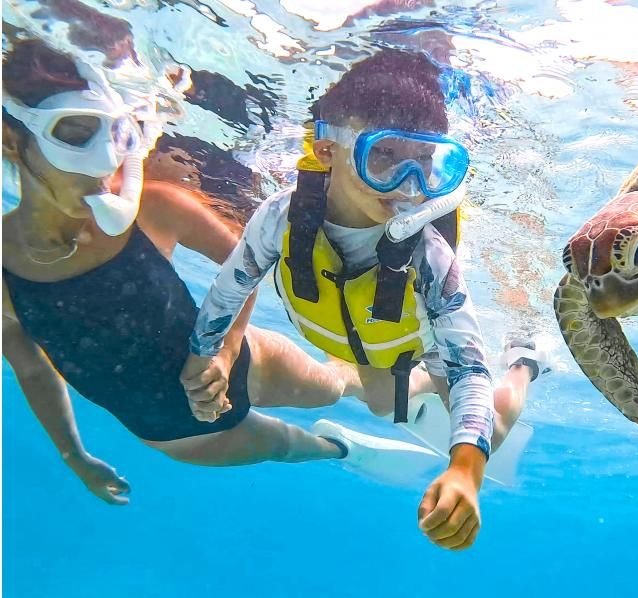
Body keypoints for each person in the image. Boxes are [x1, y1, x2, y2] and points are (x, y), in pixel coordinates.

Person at [1, 40, 410, 506]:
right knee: (285, 446)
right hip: (179, 437)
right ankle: (344, 447)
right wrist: (75, 457)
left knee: (331, 386)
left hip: (249, 366)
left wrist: (226, 348)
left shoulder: (155, 207)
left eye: (116, 136)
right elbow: (32, 369)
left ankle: (382, 385)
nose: (105, 162)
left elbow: (251, 260)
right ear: (11, 138)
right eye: (74, 135)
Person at [183, 49, 549, 551]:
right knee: (381, 402)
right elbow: (230, 290)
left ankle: (524, 360)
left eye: (425, 163)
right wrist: (208, 356)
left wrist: (465, 468)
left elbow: (467, 372)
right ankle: (401, 389)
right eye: (384, 157)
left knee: (494, 423)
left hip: (416, 344)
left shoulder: (428, 253)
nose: (409, 187)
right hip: (365, 340)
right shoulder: (279, 218)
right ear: (329, 151)